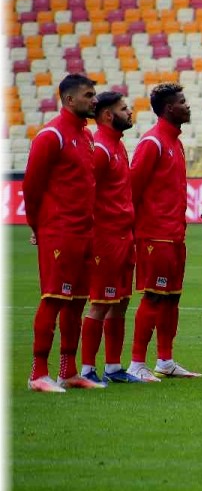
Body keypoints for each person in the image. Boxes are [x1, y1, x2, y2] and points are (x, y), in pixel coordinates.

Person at [24, 74, 100, 392]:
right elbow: (31, 185)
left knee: (77, 302)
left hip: (84, 231)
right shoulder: (51, 136)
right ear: (69, 100)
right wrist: (36, 226)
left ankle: (67, 371)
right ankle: (38, 374)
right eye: (88, 95)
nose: (94, 100)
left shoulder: (87, 137)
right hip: (59, 230)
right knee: (54, 299)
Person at [127, 83, 201, 381]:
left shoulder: (175, 142)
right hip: (154, 235)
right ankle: (136, 363)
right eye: (183, 101)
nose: (188, 106)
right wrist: (133, 230)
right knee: (154, 297)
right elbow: (132, 190)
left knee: (172, 298)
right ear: (170, 108)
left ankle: (165, 360)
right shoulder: (153, 142)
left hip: (174, 235)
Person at [79, 91, 142, 385]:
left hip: (123, 236)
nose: (129, 113)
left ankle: (114, 368)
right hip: (104, 238)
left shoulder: (118, 146)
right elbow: (85, 193)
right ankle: (87, 369)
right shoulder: (100, 149)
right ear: (107, 115)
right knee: (100, 303)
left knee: (121, 302)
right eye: (124, 109)